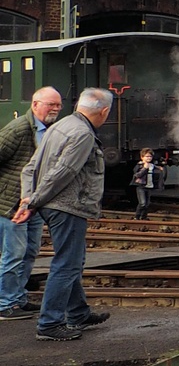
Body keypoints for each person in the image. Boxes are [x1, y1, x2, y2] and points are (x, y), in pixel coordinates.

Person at [16, 88, 113, 341]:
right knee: (67, 264)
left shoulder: (60, 126)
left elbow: (30, 168)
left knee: (73, 260)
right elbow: (64, 172)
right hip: (67, 206)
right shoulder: (82, 134)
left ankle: (78, 313)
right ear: (104, 111)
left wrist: (30, 198)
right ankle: (49, 324)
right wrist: (33, 202)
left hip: (53, 205)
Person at [0, 88, 63, 321]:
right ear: (35, 104)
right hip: (12, 204)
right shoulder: (18, 130)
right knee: (13, 254)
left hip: (33, 202)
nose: (56, 109)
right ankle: (5, 303)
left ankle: (18, 299)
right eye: (51, 104)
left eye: (58, 105)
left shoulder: (49, 130)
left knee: (29, 252)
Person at [131, 148, 163, 221]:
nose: (149, 158)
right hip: (141, 186)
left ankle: (144, 217)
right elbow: (137, 175)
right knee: (142, 203)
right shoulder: (139, 166)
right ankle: (137, 216)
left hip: (149, 186)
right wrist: (144, 169)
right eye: (147, 156)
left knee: (147, 204)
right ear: (142, 157)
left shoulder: (152, 166)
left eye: (150, 156)